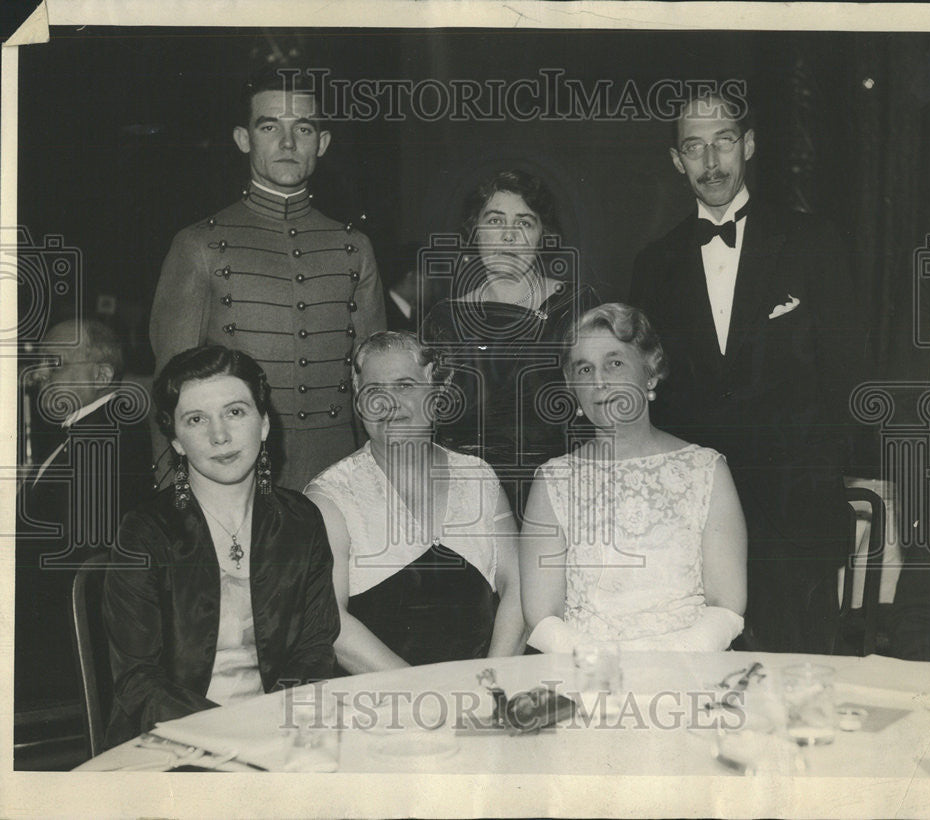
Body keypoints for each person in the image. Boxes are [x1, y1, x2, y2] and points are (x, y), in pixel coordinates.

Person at [630, 88, 865, 653]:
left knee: (796, 698)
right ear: (675, 160)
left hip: (794, 522)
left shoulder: (814, 243)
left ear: (750, 145)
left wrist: (826, 475)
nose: (711, 163)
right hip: (691, 527)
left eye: (724, 142)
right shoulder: (652, 265)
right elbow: (649, 396)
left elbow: (849, 376)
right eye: (694, 147)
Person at [149, 66, 386, 491]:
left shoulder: (355, 247)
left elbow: (376, 387)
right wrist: (176, 501)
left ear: (323, 143)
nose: (288, 143)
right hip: (236, 483)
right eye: (270, 126)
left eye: (304, 129)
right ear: (244, 139)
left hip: (341, 483)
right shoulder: (198, 245)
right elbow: (170, 393)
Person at [102, 346, 339, 746]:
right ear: (176, 441)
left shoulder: (301, 520)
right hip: (169, 740)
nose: (219, 436)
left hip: (280, 734)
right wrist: (237, 733)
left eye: (235, 412)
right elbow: (138, 681)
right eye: (196, 420)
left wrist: (272, 729)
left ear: (264, 424)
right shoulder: (145, 532)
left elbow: (314, 650)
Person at [520, 304, 747, 652]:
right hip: (588, 679)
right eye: (585, 369)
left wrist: (667, 669)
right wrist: (606, 672)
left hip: (692, 672)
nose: (599, 382)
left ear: (650, 372)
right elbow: (542, 616)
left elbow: (726, 604)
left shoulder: (706, 470)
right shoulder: (553, 481)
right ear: (573, 389)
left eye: (614, 363)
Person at [305, 331, 524, 673]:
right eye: (373, 391)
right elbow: (329, 620)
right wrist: (423, 694)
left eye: (405, 386)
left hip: (482, 695)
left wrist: (490, 684)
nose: (388, 404)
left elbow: (519, 588)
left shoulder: (478, 478)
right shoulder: (330, 496)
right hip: (378, 704)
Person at [423, 169, 599, 518]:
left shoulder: (575, 309)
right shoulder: (445, 321)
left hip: (560, 495)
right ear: (474, 231)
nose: (509, 236)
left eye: (524, 222)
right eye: (495, 220)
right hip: (467, 501)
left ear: (543, 235)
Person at [15, 318, 153, 731]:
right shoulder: (91, 434)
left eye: (55, 364)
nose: (40, 375)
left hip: (62, 654)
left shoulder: (101, 441)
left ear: (101, 375)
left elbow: (72, 567)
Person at [382, 240, 422, 333]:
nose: (434, 287)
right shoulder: (382, 313)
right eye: (429, 279)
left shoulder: (418, 315)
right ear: (414, 277)